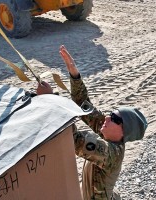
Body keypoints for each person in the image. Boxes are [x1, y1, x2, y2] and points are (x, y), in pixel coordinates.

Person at [37, 45, 148, 200]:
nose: (107, 119)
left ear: (124, 132)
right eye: (110, 115)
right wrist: (74, 72)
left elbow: (75, 140)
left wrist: (49, 99)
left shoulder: (111, 154)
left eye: (114, 119)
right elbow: (83, 105)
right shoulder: (110, 133)